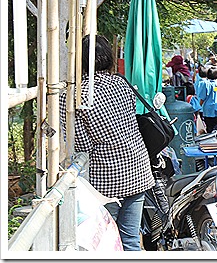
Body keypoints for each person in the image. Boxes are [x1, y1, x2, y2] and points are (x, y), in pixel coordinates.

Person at [59, 35, 154, 251]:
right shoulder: (121, 83)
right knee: (130, 240)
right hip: (138, 168)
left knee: (106, 243)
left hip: (104, 180)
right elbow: (130, 118)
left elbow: (81, 144)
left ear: (79, 61)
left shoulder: (73, 95)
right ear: (109, 57)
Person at [196, 67, 217, 134]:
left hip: (207, 108)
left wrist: (199, 106)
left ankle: (210, 135)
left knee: (208, 124)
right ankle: (215, 133)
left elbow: (203, 97)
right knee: (216, 122)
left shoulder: (205, 84)